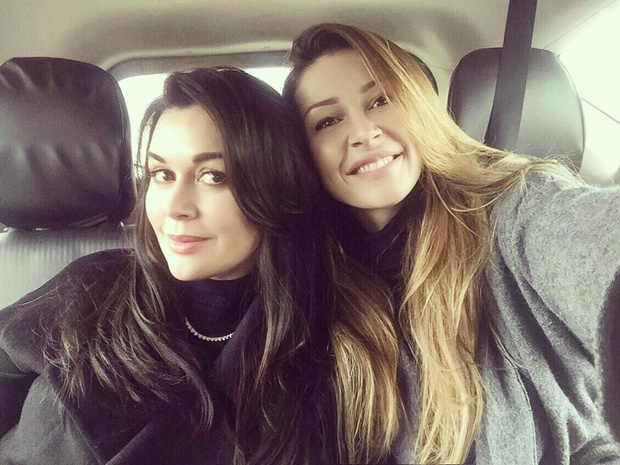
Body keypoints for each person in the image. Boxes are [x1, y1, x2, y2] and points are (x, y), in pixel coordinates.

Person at [283, 23, 620, 464]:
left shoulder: (515, 207)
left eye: (381, 100)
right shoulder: (316, 287)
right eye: (327, 121)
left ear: (419, 106)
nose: (363, 132)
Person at [0, 67, 350, 464]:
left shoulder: (328, 345)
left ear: (277, 185)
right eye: (162, 174)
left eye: (213, 176)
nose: (175, 207)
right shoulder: (88, 286)